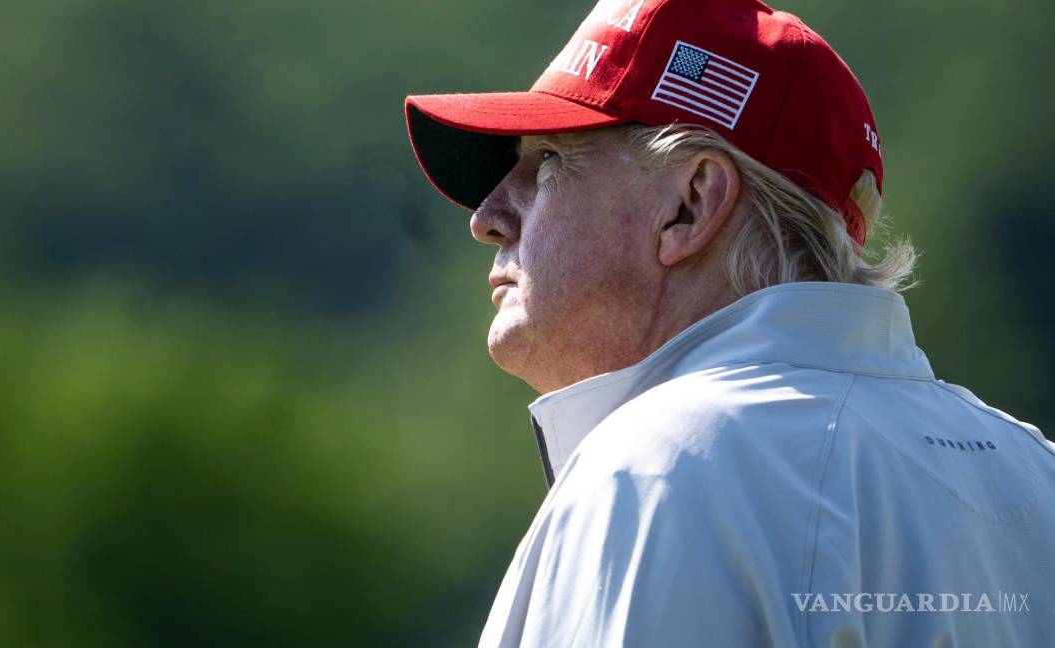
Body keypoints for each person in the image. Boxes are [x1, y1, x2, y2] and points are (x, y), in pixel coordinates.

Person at [404, 0, 1055, 645]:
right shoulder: (1037, 472)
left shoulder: (658, 469)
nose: (486, 216)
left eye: (549, 161)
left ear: (690, 205)